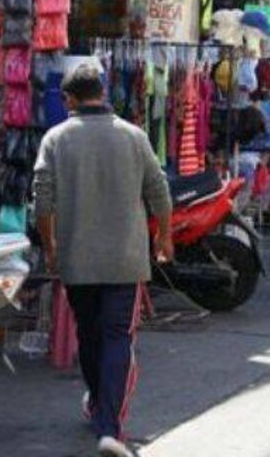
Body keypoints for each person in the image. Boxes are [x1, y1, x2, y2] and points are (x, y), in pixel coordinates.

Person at [32, 61, 173, 457]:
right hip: (125, 261)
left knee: (90, 336)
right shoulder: (134, 136)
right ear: (103, 94)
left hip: (77, 258)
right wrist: (165, 237)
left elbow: (42, 198)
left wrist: (50, 245)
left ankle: (100, 409)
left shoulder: (56, 139)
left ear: (69, 99)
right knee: (116, 339)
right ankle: (108, 425)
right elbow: (159, 192)